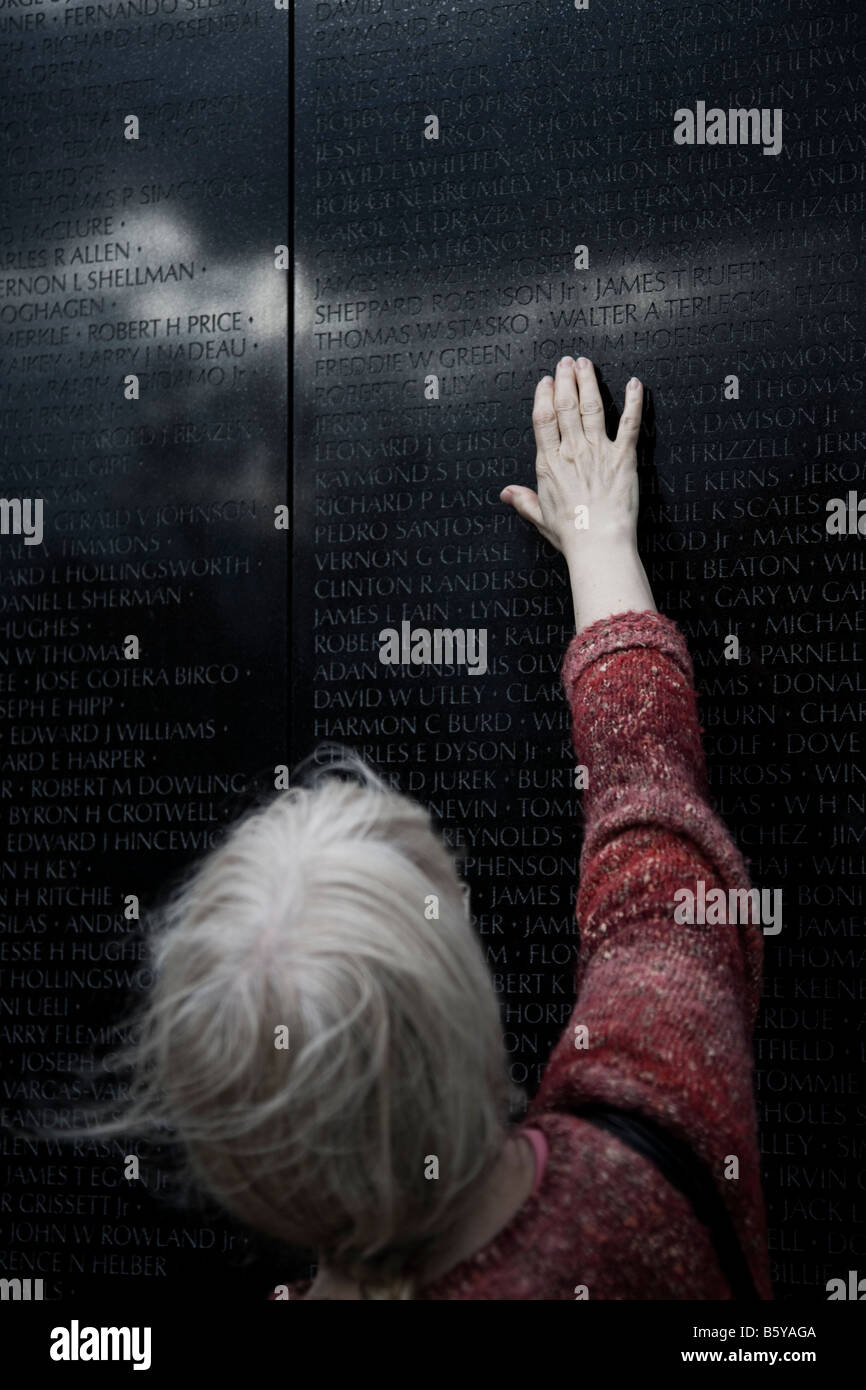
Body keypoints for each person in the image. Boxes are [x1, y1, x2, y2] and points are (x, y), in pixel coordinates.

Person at [80, 357, 772, 1300]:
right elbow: (658, 872)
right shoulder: (648, 1155)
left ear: (231, 1161)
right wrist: (601, 541)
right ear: (467, 1011)